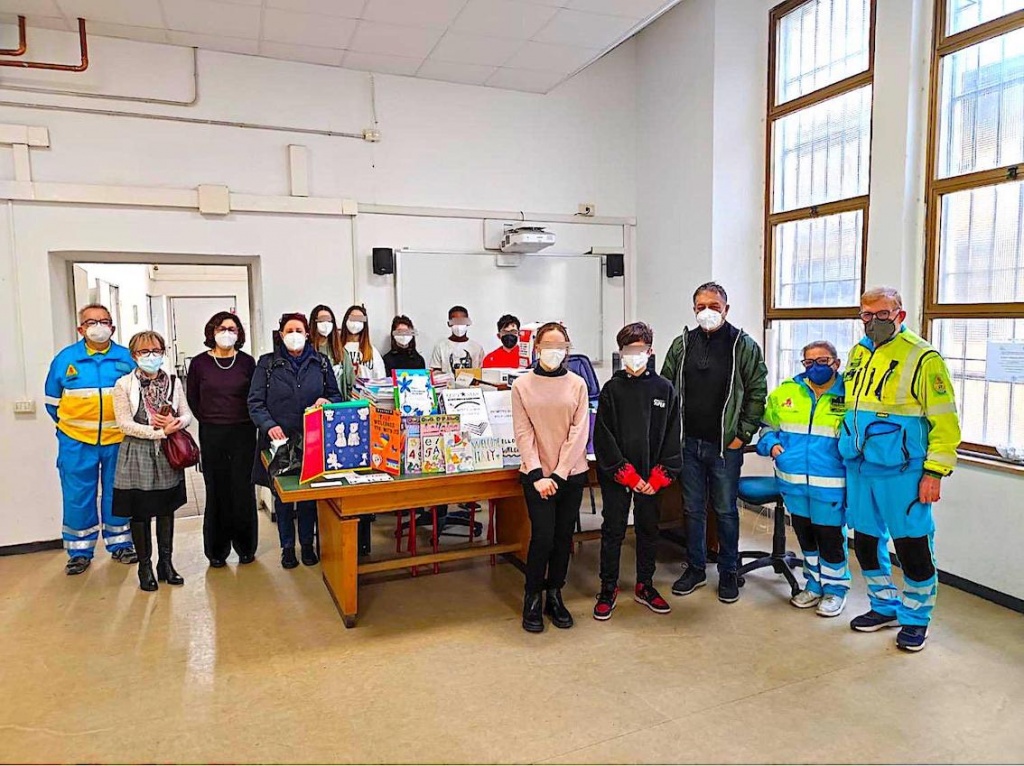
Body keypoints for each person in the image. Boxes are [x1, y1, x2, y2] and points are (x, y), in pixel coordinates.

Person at [840, 287, 960, 652]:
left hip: (903, 470)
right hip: (859, 465)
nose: (873, 322)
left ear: (899, 315)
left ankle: (915, 618)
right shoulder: (858, 352)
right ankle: (883, 606)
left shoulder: (924, 358)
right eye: (866, 315)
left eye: (882, 314)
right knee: (865, 542)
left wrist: (935, 472)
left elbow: (945, 421)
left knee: (912, 546)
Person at [661, 281, 767, 604]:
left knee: (724, 510)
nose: (707, 312)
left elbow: (757, 391)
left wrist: (742, 434)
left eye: (714, 306)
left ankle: (729, 572)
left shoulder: (743, 346)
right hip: (688, 443)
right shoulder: (682, 344)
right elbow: (666, 387)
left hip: (725, 447)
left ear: (726, 309)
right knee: (692, 509)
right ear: (694, 310)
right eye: (701, 307)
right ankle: (694, 568)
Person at [593, 322, 682, 620]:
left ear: (650, 351)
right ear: (620, 353)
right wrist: (627, 475)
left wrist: (655, 478)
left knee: (648, 530)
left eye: (640, 349)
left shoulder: (664, 389)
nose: (634, 355)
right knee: (613, 530)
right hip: (619, 476)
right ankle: (608, 588)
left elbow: (672, 437)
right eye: (629, 350)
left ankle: (645, 584)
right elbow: (603, 438)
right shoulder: (612, 390)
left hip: (652, 479)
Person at [757, 341, 850, 617]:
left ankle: (835, 590)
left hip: (830, 483)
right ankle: (813, 584)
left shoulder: (850, 394)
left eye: (822, 361)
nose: (815, 367)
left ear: (836, 363)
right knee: (806, 537)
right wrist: (773, 447)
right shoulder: (787, 392)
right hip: (793, 481)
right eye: (809, 362)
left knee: (830, 538)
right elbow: (766, 428)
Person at [45, 304, 138, 575]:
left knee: (117, 494)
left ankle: (121, 544)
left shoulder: (126, 358)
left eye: (104, 321)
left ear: (113, 327)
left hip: (118, 440)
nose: (98, 326)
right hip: (76, 442)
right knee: (77, 496)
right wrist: (72, 428)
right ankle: (79, 552)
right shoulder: (65, 360)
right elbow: (53, 403)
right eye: (91, 322)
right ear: (80, 328)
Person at [511, 322, 590, 633]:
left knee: (562, 538)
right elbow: (523, 431)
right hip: (535, 476)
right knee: (542, 537)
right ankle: (532, 596)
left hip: (570, 474)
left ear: (567, 349)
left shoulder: (578, 385)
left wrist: (558, 474)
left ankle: (555, 594)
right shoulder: (523, 386)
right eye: (548, 344)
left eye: (561, 345)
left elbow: (579, 432)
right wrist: (537, 473)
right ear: (536, 347)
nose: (554, 351)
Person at [249, 313, 343, 569]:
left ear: (307, 334)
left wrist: (327, 401)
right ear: (281, 335)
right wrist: (270, 426)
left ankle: (308, 545)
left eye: (298, 330)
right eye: (289, 330)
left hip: (312, 440)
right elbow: (255, 403)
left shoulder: (320, 362)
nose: (294, 334)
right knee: (284, 498)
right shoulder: (267, 364)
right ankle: (287, 547)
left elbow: (334, 395)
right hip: (279, 442)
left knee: (309, 495)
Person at [111, 331, 193, 592]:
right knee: (140, 511)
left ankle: (165, 564)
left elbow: (186, 413)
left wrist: (175, 423)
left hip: (167, 452)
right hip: (137, 452)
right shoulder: (123, 385)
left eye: (156, 351)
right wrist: (157, 432)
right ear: (134, 355)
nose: (151, 356)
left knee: (166, 509)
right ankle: (144, 566)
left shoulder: (172, 381)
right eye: (144, 352)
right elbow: (123, 423)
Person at [185, 312, 258, 568]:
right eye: (222, 327)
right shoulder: (199, 364)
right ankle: (216, 550)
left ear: (239, 334)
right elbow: (193, 398)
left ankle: (246, 546)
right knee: (216, 490)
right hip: (212, 433)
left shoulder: (248, 363)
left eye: (233, 328)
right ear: (212, 331)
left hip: (244, 432)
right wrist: (210, 418)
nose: (227, 332)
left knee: (242, 489)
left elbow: (255, 396)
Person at [310, 304, 355, 400]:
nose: (326, 323)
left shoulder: (340, 351)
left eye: (329, 320)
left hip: (338, 406)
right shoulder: (307, 351)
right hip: (313, 406)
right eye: (322, 320)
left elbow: (350, 384)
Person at [430, 305, 484, 376]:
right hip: (446, 386)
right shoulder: (440, 346)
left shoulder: (477, 347)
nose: (459, 325)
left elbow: (482, 372)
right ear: (449, 324)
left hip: (472, 386)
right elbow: (435, 372)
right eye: (455, 322)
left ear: (468, 323)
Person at [339, 304, 386, 379]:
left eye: (359, 319)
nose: (355, 322)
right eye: (352, 318)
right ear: (346, 320)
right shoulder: (337, 349)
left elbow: (381, 379)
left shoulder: (372, 352)